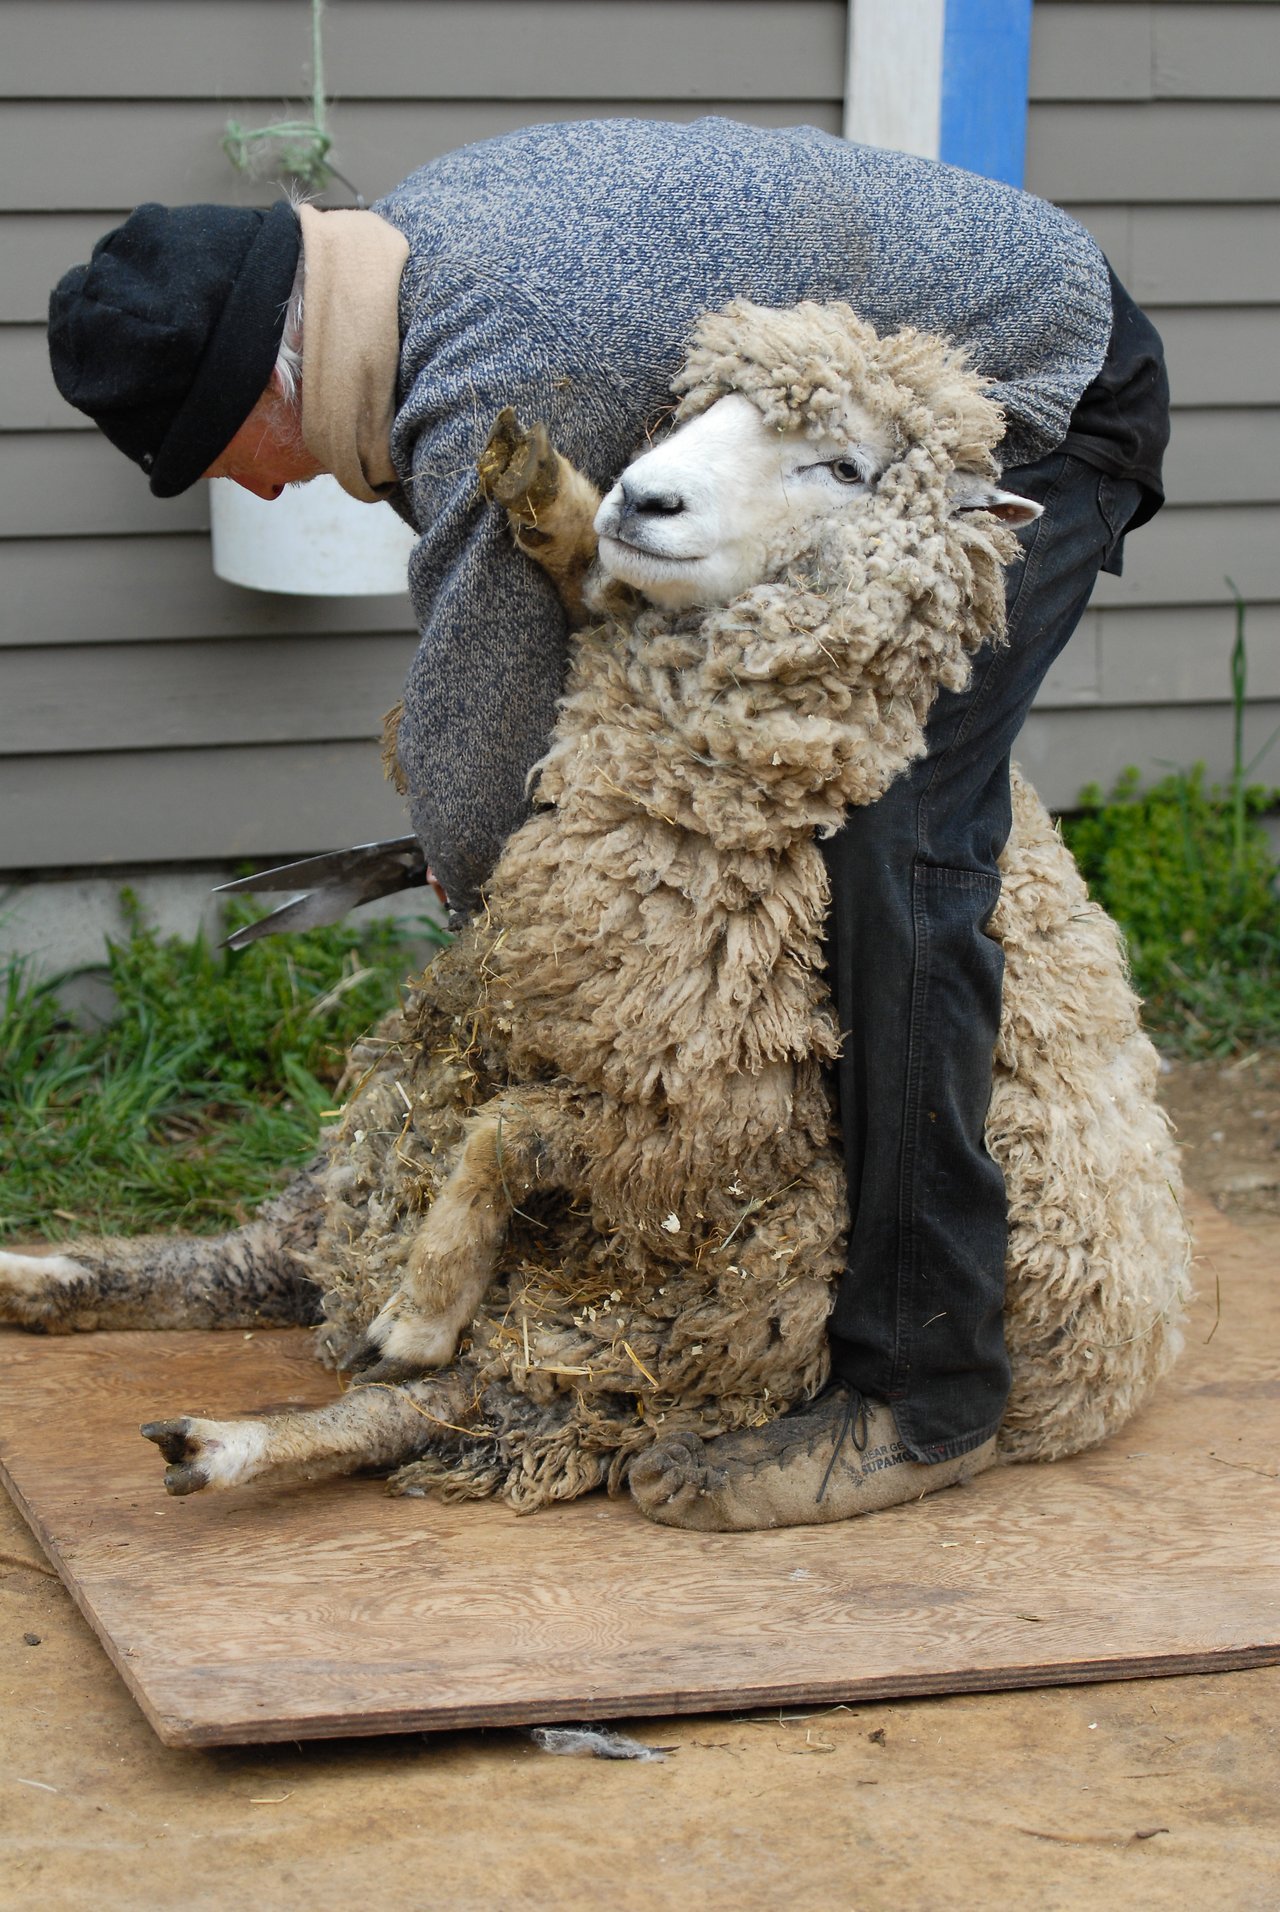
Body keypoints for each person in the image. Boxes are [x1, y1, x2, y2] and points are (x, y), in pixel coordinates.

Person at [46, 116, 1169, 1523]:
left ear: (272, 377)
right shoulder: (402, 268)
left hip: (1026, 402)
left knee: (901, 836)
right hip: (806, 431)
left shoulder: (507, 356)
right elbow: (552, 597)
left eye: (230, 454)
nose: (259, 483)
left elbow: (480, 717)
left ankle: (923, 1391)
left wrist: (523, 912)